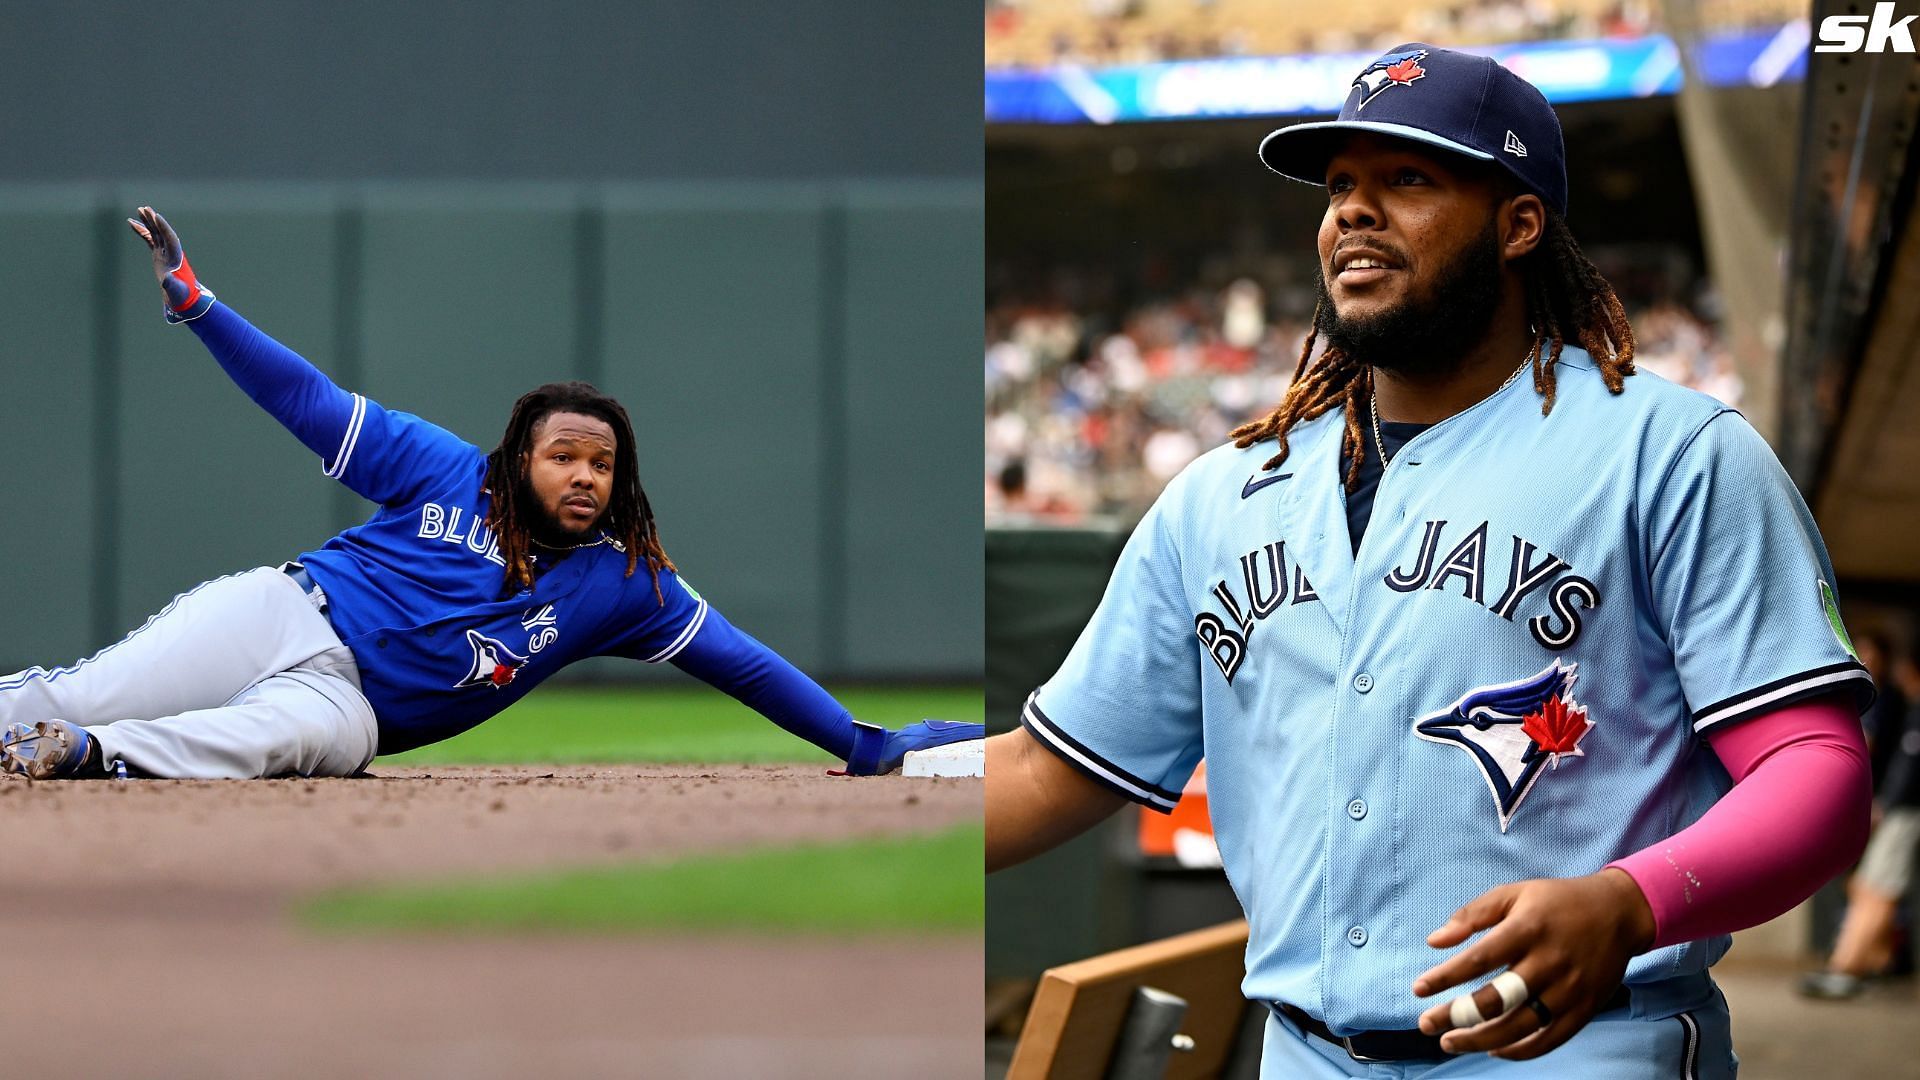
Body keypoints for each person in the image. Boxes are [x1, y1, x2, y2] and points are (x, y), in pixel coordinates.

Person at [985, 45, 1874, 1076]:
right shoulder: (1218, 496)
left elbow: (1815, 772)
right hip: (1304, 1054)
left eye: (1409, 178)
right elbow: (1049, 767)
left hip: (1581, 1048)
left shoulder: (1672, 454)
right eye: (1340, 187)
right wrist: (859, 811)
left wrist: (1630, 903)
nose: (1353, 213)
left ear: (1519, 223)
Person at [0, 207, 982, 781]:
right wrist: (199, 307)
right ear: (522, 458)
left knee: (282, 740)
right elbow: (303, 398)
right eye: (566, 456)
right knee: (89, 684)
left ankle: (90, 757)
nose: (586, 475)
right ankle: (68, 722)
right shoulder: (441, 467)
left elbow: (746, 665)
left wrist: (865, 744)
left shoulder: (625, 583)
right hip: (287, 613)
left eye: (603, 464)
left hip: (356, 712)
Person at [1800, 638, 1920, 999]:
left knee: (1875, 889)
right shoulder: (1902, 705)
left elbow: (1908, 766)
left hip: (1901, 809)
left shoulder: (1898, 706)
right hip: (1889, 806)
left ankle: (1846, 968)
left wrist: (1885, 804)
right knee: (1870, 886)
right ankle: (1877, 962)